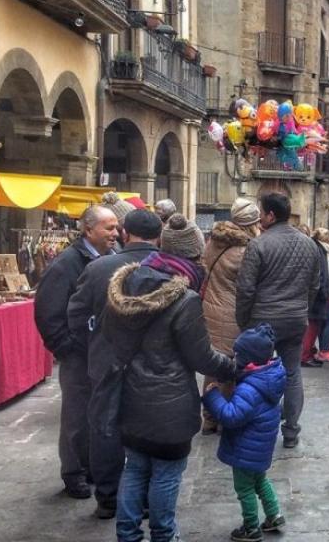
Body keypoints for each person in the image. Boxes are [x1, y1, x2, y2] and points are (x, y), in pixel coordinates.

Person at [100, 214, 236, 542]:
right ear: (191, 256)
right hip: (169, 403)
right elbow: (200, 357)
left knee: (135, 467)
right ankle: (163, 534)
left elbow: (109, 335)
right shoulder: (184, 299)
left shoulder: (123, 287)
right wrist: (232, 366)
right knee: (166, 472)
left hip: (130, 395)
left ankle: (128, 534)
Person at [67, 209, 162, 518]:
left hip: (106, 359)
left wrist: (94, 344)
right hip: (154, 362)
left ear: (125, 233)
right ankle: (144, 497)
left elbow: (76, 315)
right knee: (148, 427)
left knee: (105, 427)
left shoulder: (98, 269)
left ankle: (108, 498)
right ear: (158, 236)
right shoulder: (168, 268)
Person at [35, 205, 119, 500]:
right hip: (78, 353)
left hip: (101, 351)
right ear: (88, 230)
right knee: (76, 416)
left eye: (116, 227)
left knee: (98, 413)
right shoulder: (66, 264)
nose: (115, 233)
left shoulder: (110, 257)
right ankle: (74, 473)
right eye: (108, 228)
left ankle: (93, 466)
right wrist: (66, 347)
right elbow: (48, 311)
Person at [236, 193, 321, 449]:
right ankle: (291, 431)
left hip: (262, 319)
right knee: (293, 374)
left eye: (261, 213)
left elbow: (246, 289)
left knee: (252, 374)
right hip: (295, 319)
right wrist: (301, 308)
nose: (259, 218)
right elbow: (314, 285)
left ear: (271, 215)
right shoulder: (309, 244)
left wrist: (243, 320)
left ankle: (252, 427)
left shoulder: (258, 245)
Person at [203, 325, 288, 542]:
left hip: (245, 449)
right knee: (260, 481)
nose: (235, 358)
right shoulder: (270, 377)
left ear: (250, 360)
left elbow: (231, 416)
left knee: (245, 489)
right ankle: (274, 515)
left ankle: (250, 528)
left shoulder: (249, 389)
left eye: (238, 354)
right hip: (261, 446)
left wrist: (213, 396)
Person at [201, 198, 262, 435]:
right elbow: (249, 287)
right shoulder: (245, 250)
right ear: (251, 223)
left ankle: (208, 418)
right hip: (232, 312)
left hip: (209, 308)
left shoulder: (213, 241)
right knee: (229, 366)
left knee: (212, 365)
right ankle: (221, 416)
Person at [302, 228, 329, 368]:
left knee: (314, 326)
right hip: (318, 296)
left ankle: (308, 353)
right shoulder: (319, 250)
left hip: (317, 295)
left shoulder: (321, 249)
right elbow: (321, 275)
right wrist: (323, 293)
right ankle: (305, 356)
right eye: (327, 235)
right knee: (312, 327)